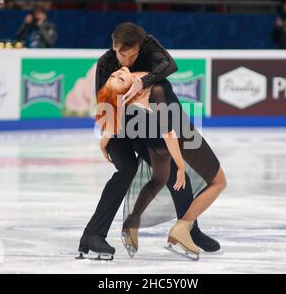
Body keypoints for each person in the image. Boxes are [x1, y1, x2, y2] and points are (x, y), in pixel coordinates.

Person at [77, 22, 220, 260]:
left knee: (173, 168)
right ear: (114, 46)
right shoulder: (106, 65)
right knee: (127, 170)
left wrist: (141, 82)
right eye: (124, 55)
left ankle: (189, 230)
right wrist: (106, 137)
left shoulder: (147, 45)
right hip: (119, 126)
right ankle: (92, 235)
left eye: (133, 55)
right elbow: (105, 106)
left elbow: (170, 66)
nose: (129, 61)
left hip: (147, 124)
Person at [96, 67, 227, 259]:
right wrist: (181, 166)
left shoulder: (127, 101)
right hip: (164, 140)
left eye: (116, 74)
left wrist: (104, 141)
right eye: (119, 79)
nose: (120, 72)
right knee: (207, 182)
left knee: (159, 179)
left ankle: (132, 222)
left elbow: (112, 123)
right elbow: (169, 134)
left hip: (152, 142)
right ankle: (182, 230)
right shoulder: (150, 95)